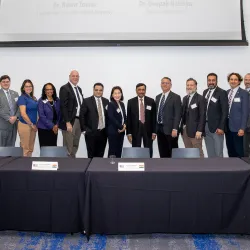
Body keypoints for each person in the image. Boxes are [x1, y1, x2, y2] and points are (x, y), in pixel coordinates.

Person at [126, 83, 156, 157]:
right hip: (136, 129)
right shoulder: (130, 102)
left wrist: (154, 132)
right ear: (136, 91)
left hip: (148, 129)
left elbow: (154, 117)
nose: (141, 91)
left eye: (143, 89)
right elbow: (128, 118)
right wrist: (129, 133)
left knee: (148, 149)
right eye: (139, 90)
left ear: (145, 90)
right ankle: (136, 165)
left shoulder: (151, 101)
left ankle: (149, 165)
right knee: (136, 150)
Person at [80, 82, 109, 158]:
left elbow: (108, 116)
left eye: (100, 90)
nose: (98, 92)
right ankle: (90, 170)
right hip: (91, 132)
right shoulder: (87, 101)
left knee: (100, 155)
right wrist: (85, 130)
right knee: (91, 155)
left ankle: (99, 169)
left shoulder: (106, 101)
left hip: (103, 132)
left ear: (103, 91)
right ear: (93, 90)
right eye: (96, 90)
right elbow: (82, 116)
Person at [59, 70, 84, 158]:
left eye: (77, 76)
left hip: (78, 121)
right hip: (69, 122)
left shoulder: (79, 89)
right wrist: (67, 122)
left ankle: (72, 164)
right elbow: (63, 106)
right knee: (68, 146)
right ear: (69, 77)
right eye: (73, 76)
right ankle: (66, 166)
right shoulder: (64, 88)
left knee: (75, 145)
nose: (75, 77)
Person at [203, 73, 228, 157]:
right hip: (206, 126)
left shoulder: (222, 92)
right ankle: (212, 169)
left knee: (218, 152)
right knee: (210, 152)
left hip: (217, 128)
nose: (211, 82)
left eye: (213, 80)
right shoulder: (205, 92)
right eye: (209, 80)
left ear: (217, 81)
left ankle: (221, 170)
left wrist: (221, 127)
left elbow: (225, 111)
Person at [155, 77, 182, 158]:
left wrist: (175, 128)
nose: (164, 84)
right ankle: (164, 169)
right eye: (163, 83)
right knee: (162, 152)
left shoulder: (176, 97)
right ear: (160, 84)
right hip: (159, 129)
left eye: (167, 83)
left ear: (170, 85)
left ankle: (174, 169)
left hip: (171, 130)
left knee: (173, 153)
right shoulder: (158, 97)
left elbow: (178, 114)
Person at [180, 78, 206, 158]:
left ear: (196, 86)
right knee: (189, 152)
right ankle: (191, 169)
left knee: (198, 152)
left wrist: (199, 130)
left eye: (191, 85)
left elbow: (202, 115)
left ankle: (201, 169)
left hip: (196, 132)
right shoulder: (185, 98)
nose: (189, 87)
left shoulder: (201, 98)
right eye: (187, 85)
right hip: (185, 131)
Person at [225, 72, 249, 158]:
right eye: (231, 79)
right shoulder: (227, 92)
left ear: (239, 81)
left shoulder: (244, 93)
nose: (233, 81)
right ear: (229, 81)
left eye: (235, 79)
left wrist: (242, 128)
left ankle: (241, 170)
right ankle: (232, 169)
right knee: (230, 151)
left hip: (238, 128)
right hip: (228, 127)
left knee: (239, 151)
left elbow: (245, 112)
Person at [17, 79, 38, 157]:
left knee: (30, 148)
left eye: (30, 86)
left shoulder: (34, 98)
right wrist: (31, 124)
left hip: (33, 125)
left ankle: (28, 166)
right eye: (26, 86)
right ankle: (23, 167)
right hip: (25, 125)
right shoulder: (22, 98)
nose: (28, 88)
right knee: (25, 149)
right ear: (23, 88)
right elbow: (23, 114)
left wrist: (35, 124)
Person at [37, 83, 60, 147]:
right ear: (44, 91)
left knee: (53, 148)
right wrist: (52, 126)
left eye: (51, 89)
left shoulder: (57, 100)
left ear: (53, 90)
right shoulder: (41, 101)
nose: (49, 91)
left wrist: (57, 125)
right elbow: (41, 116)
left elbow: (60, 114)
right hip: (44, 129)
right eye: (47, 89)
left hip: (55, 129)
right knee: (45, 149)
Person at [107, 86, 126, 158]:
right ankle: (110, 167)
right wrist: (121, 127)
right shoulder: (111, 104)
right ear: (112, 95)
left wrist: (124, 125)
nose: (117, 95)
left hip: (121, 131)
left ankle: (117, 167)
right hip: (113, 131)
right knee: (112, 151)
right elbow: (111, 117)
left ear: (121, 94)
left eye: (119, 93)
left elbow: (124, 116)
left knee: (119, 150)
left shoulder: (122, 104)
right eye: (115, 93)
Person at [0, 75, 19, 146]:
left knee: (11, 147)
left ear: (10, 82)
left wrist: (16, 117)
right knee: (1, 148)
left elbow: (19, 107)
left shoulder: (15, 94)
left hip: (14, 125)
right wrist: (8, 118)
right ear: (0, 83)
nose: (5, 83)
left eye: (7, 82)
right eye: (3, 82)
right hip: (2, 125)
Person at [243, 73, 250, 157]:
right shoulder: (242, 92)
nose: (247, 81)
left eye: (249, 79)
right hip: (244, 127)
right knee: (245, 150)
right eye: (246, 80)